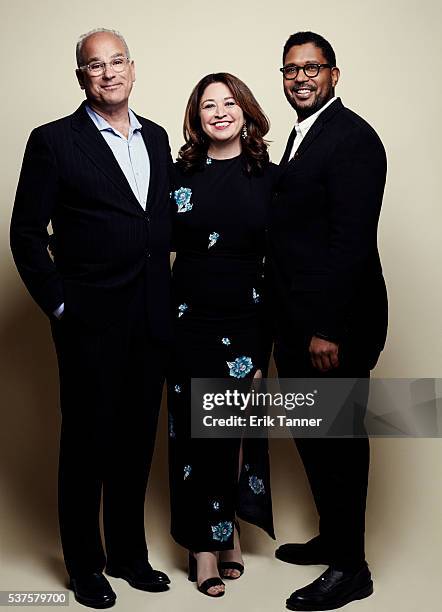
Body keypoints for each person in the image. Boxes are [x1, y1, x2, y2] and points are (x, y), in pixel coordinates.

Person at [10, 28, 172, 609]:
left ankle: (130, 555)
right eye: (94, 65)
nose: (108, 73)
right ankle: (85, 566)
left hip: (151, 319)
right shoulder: (54, 141)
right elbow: (26, 234)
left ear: (133, 68)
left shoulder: (156, 138)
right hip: (89, 322)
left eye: (117, 62)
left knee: (134, 444)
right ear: (81, 76)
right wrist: (60, 305)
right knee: (86, 444)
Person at [267, 31, 388, 611]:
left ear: (334, 74)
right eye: (291, 70)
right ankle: (335, 538)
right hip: (296, 323)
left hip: (333, 327)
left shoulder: (353, 138)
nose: (301, 78)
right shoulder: (302, 135)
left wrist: (329, 328)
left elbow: (351, 244)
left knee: (338, 442)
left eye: (312, 68)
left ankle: (351, 568)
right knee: (313, 439)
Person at [168, 73, 276, 598]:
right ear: (197, 117)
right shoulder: (177, 175)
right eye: (207, 105)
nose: (219, 112)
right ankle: (203, 549)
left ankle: (227, 528)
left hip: (247, 321)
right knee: (195, 437)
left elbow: (280, 265)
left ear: (246, 110)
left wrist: (264, 347)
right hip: (188, 320)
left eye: (228, 102)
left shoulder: (269, 176)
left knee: (233, 436)